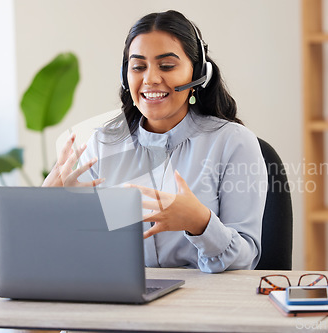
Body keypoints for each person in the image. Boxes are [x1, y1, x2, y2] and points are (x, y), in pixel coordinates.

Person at [42, 10, 267, 273]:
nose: (150, 79)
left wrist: (200, 223)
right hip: (121, 301)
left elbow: (246, 258)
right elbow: (75, 256)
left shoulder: (233, 143)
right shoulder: (102, 145)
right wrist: (52, 206)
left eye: (167, 66)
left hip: (205, 305)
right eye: (138, 67)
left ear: (198, 73)